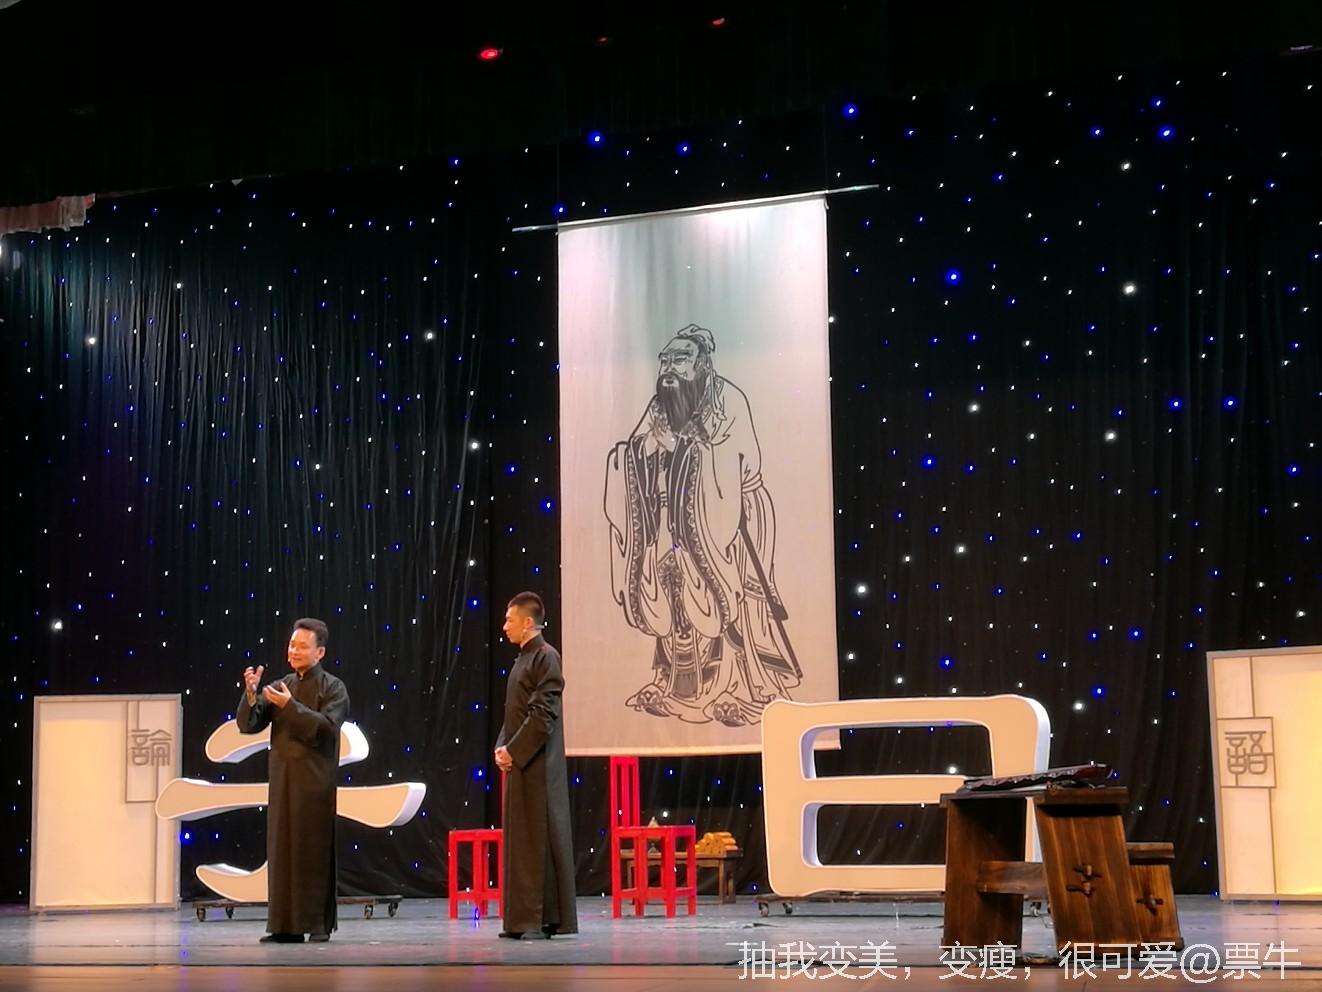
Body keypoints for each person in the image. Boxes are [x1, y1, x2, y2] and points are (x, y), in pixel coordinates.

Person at [603, 324, 802, 727]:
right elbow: (635, 450)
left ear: (702, 365)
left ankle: (746, 689)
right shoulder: (660, 406)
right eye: (665, 360)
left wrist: (680, 447)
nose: (669, 369)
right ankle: (677, 687)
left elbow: (732, 461)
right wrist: (643, 451)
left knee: (736, 598)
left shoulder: (727, 400)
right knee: (675, 593)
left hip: (732, 517)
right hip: (673, 522)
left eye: (680, 359)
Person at [237, 617, 349, 943]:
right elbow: (249, 724)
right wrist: (251, 694)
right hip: (282, 781)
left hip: (314, 783)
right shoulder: (281, 684)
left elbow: (326, 728)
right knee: (282, 852)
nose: (294, 651)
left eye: (302, 646)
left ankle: (317, 925)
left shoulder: (333, 687)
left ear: (320, 652)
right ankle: (284, 926)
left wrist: (290, 706)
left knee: (312, 853)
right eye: (291, 645)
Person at [494, 592, 578, 939]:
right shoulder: (522, 660)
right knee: (522, 842)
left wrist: (515, 750)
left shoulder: (546, 657)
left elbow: (543, 714)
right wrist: (502, 747)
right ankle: (521, 920)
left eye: (509, 620)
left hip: (539, 764)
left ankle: (541, 919)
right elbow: (514, 713)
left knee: (538, 840)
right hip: (520, 761)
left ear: (528, 622)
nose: (504, 627)